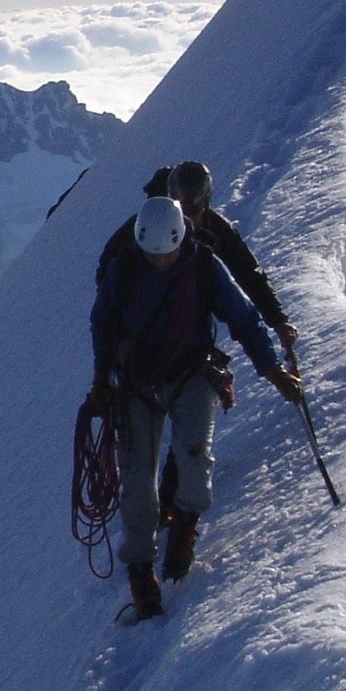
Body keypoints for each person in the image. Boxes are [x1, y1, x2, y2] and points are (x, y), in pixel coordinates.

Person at [90, 194, 301, 622]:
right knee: (136, 475)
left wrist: (273, 370)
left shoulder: (205, 266)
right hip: (137, 380)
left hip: (189, 372)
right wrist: (100, 382)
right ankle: (141, 568)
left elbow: (244, 319)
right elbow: (102, 324)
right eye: (153, 255)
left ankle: (185, 524)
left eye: (166, 255)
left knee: (193, 454)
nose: (160, 263)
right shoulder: (125, 269)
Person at [145, 161, 296, 368]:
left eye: (192, 211)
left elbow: (249, 274)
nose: (187, 221)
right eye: (183, 211)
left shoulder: (215, 231)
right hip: (145, 334)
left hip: (188, 335)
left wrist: (278, 321)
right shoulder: (149, 227)